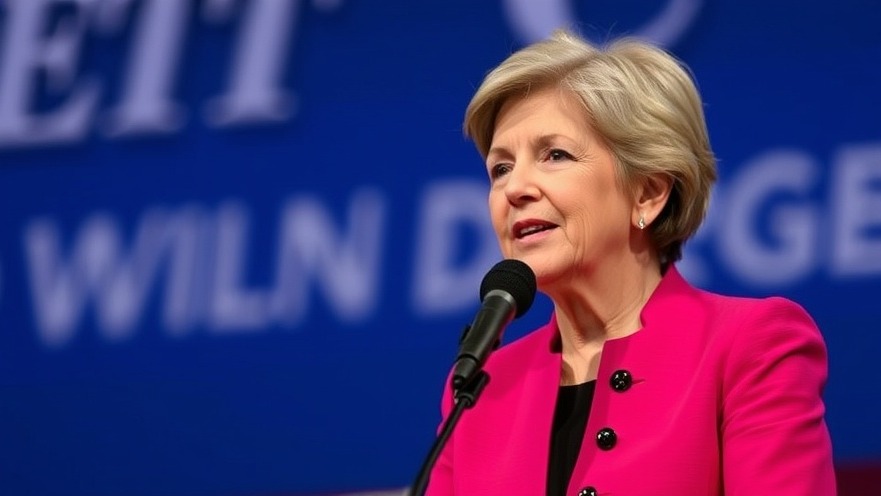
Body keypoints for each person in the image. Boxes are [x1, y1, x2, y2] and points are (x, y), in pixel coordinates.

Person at [424, 29, 835, 495]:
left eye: (554, 155)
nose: (515, 188)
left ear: (648, 192)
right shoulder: (480, 390)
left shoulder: (749, 347)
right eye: (500, 168)